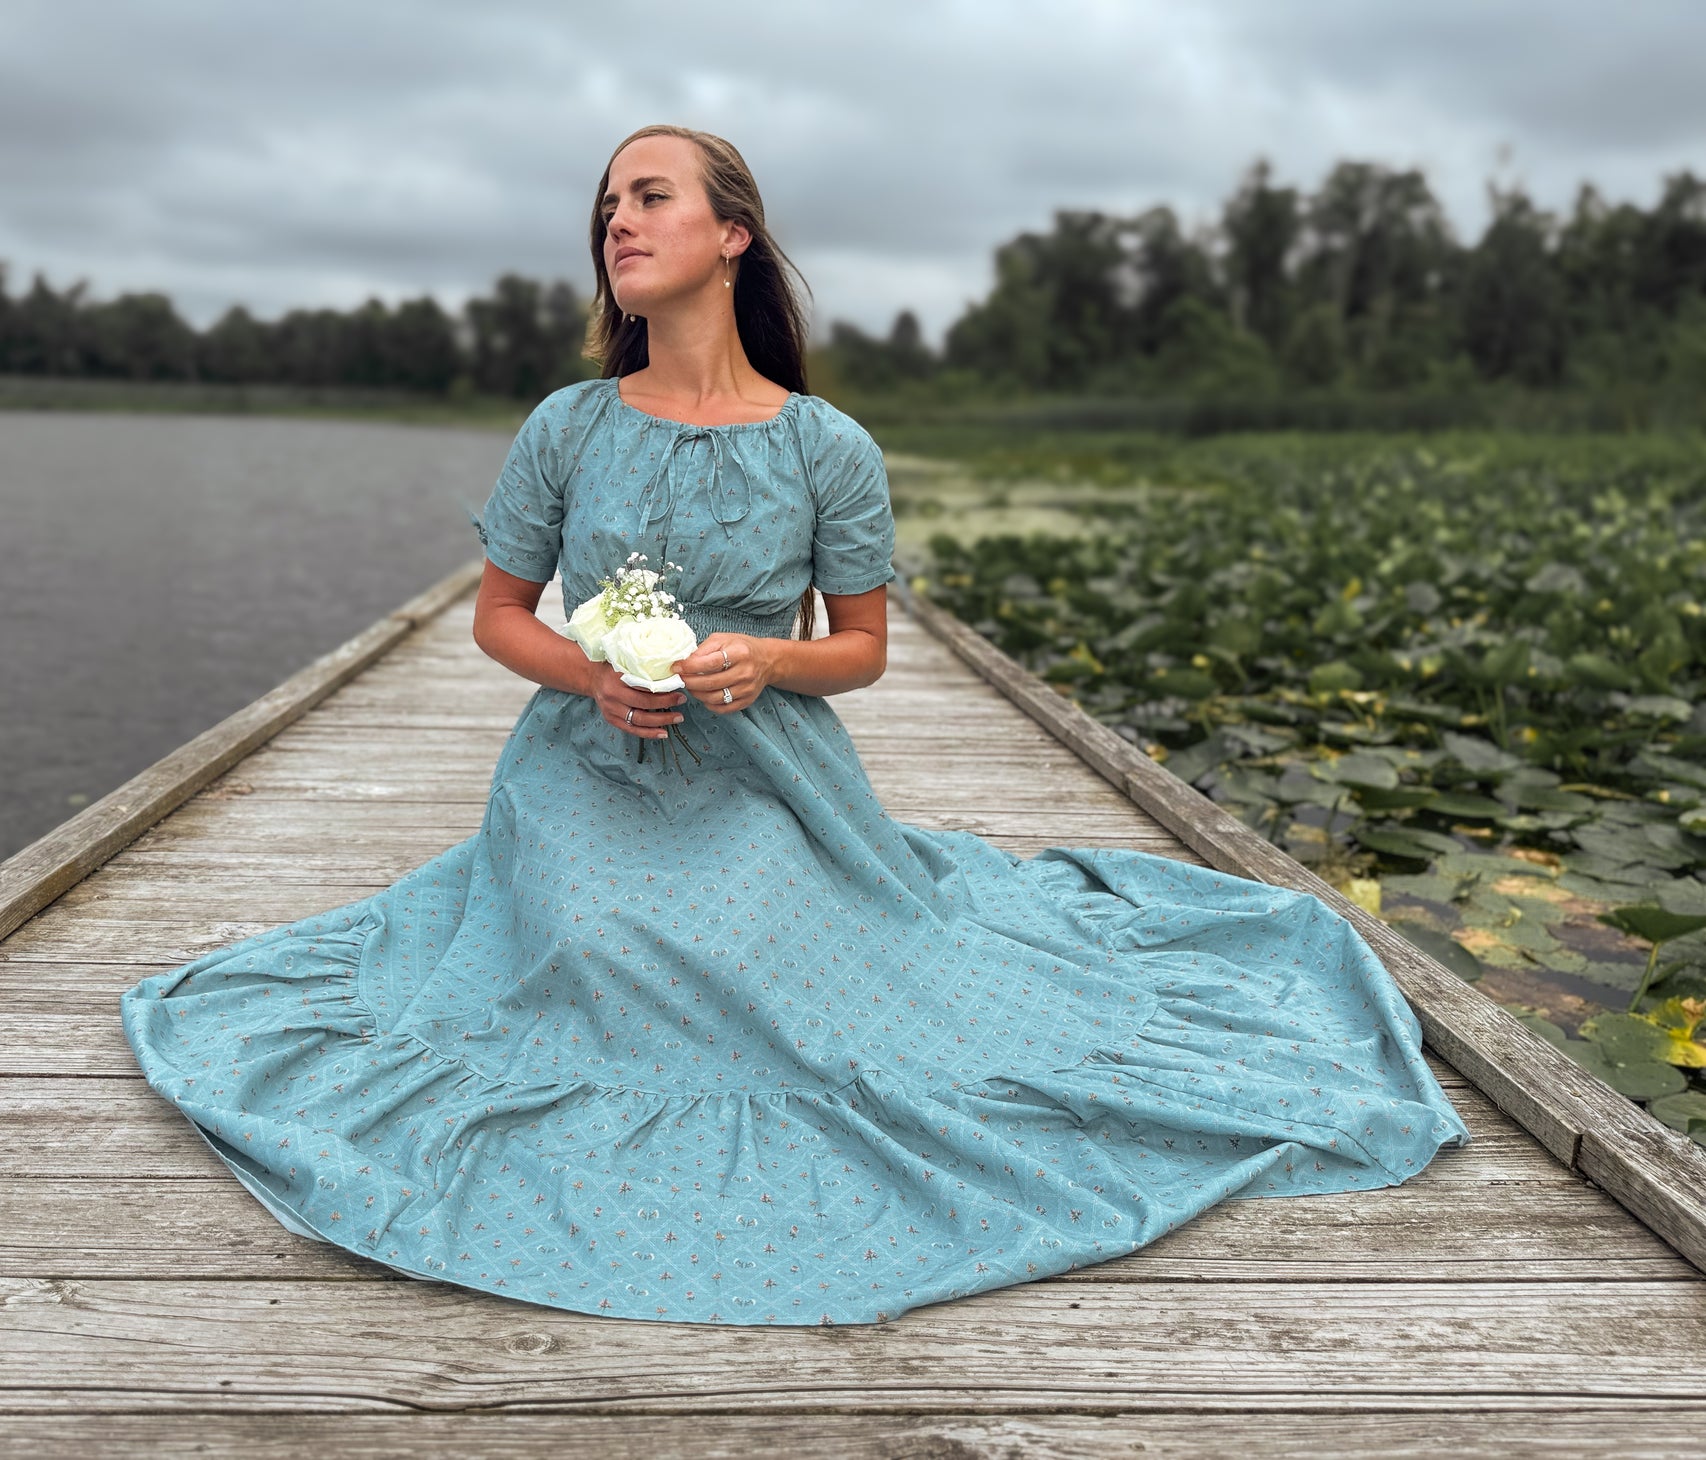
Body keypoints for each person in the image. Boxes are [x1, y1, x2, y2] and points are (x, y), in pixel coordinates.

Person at [121, 124, 1470, 1326]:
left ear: (732, 236)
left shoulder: (828, 445)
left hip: (772, 779)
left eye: (649, 197)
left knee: (779, 945)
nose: (618, 224)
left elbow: (861, 652)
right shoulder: (568, 425)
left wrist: (767, 659)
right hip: (588, 766)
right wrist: (591, 677)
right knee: (597, 941)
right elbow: (500, 621)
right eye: (605, 208)